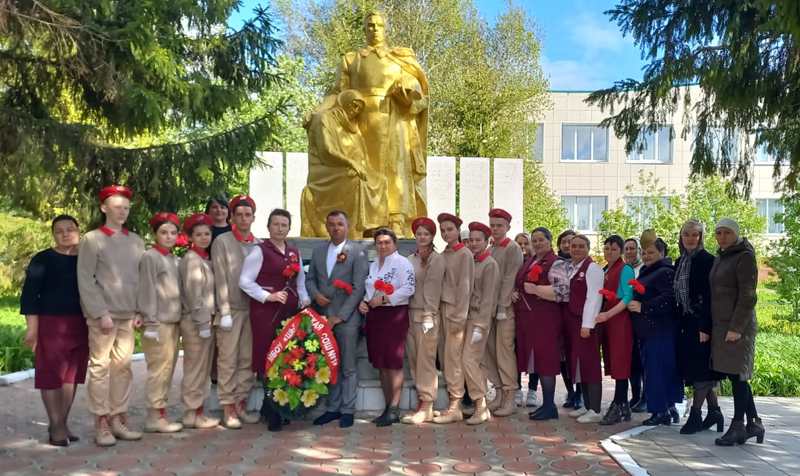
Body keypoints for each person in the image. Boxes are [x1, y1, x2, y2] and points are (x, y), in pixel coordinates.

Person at [330, 11, 429, 235]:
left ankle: (396, 219)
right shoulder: (351, 59)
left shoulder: (399, 58)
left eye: (378, 25)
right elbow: (336, 93)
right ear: (364, 29)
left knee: (396, 171)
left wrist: (407, 89)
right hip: (360, 123)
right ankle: (362, 222)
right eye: (370, 25)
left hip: (393, 121)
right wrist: (318, 112)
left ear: (385, 28)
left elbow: (417, 89)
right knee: (363, 172)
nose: (374, 29)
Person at [77, 185, 144, 446]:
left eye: (126, 208)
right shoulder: (92, 239)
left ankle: (119, 418)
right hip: (103, 316)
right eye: (117, 208)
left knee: (123, 368)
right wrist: (99, 312)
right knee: (100, 367)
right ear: (104, 208)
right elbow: (85, 277)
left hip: (128, 314)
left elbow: (139, 279)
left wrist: (139, 310)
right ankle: (101, 421)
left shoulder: (136, 240)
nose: (122, 212)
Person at [240, 208, 310, 431]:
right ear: (268, 226)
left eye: (284, 225)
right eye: (276, 224)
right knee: (267, 358)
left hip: (289, 313)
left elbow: (300, 281)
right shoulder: (259, 251)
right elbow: (244, 281)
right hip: (266, 314)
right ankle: (273, 411)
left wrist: (304, 299)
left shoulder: (293, 251)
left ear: (289, 228)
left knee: (286, 358)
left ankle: (274, 406)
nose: (280, 228)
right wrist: (267, 296)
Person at [20, 215, 88, 446]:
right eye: (60, 230)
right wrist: (32, 329)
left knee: (71, 375)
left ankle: (62, 423)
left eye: (70, 229)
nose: (66, 233)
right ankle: (56, 426)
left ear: (79, 231)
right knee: (51, 375)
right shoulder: (42, 259)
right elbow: (29, 296)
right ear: (53, 235)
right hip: (51, 323)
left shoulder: (86, 259)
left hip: (81, 323)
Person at [306, 210, 369, 429]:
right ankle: (332, 408)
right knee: (330, 363)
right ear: (326, 226)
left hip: (346, 318)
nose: (335, 228)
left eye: (340, 224)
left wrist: (340, 317)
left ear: (347, 226)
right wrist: (314, 295)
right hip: (322, 316)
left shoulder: (358, 252)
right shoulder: (319, 251)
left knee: (348, 365)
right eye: (331, 224)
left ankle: (348, 410)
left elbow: (359, 287)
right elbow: (311, 277)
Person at [710, 219, 764, 446]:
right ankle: (754, 423)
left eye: (727, 233)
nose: (722, 237)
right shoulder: (723, 256)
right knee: (735, 375)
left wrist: (736, 328)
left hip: (737, 328)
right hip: (723, 326)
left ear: (736, 234)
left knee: (739, 377)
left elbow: (748, 296)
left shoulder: (744, 257)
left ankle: (738, 426)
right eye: (718, 233)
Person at [211, 194, 261, 429]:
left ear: (253, 217)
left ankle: (241, 402)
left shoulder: (259, 244)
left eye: (247, 214)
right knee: (228, 359)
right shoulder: (222, 242)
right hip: (230, 309)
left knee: (246, 359)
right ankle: (228, 406)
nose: (243, 218)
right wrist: (224, 310)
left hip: (252, 310)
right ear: (232, 216)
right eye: (239, 214)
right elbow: (220, 277)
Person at [300, 90, 378, 238]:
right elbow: (327, 151)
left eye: (359, 109)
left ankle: (371, 227)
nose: (355, 111)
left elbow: (361, 153)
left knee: (380, 181)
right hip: (323, 169)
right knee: (356, 178)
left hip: (341, 167)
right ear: (345, 102)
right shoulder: (324, 118)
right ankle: (355, 231)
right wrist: (352, 163)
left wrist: (362, 165)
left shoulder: (352, 127)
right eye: (354, 106)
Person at [358, 228, 416, 426]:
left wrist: (385, 298)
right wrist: (364, 302)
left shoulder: (402, 263)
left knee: (393, 362)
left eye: (386, 242)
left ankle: (394, 408)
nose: (382, 246)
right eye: (379, 243)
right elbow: (369, 289)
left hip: (394, 315)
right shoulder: (375, 264)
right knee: (381, 363)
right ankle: (386, 406)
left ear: (395, 244)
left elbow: (409, 288)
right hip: (375, 317)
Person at [674, 219, 723, 434]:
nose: (690, 239)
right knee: (696, 370)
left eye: (695, 235)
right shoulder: (680, 261)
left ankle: (695, 416)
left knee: (702, 372)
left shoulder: (708, 260)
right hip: (686, 322)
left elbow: (710, 296)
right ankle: (714, 412)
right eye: (687, 234)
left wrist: (705, 327)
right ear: (681, 237)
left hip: (702, 322)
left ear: (701, 237)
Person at [627, 233, 682, 426]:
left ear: (662, 252)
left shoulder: (665, 272)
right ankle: (667, 408)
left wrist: (644, 307)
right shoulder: (649, 271)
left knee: (657, 370)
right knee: (657, 370)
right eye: (645, 253)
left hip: (659, 330)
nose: (647, 256)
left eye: (651, 252)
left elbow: (669, 299)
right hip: (649, 330)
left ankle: (661, 411)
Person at [137, 212, 183, 433]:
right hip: (158, 323)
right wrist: (150, 321)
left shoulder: (174, 259)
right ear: (155, 234)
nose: (169, 236)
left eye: (173, 233)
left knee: (168, 368)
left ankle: (160, 412)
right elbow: (147, 290)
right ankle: (154, 416)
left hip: (173, 322)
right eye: (163, 232)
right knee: (159, 369)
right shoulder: (151, 257)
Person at [453, 222, 499, 425]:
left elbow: (489, 299)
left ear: (487, 241)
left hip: (479, 320)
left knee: (469, 360)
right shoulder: (472, 261)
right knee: (472, 362)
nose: (473, 243)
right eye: (470, 240)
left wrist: (481, 326)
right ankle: (480, 405)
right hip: (467, 317)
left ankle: (480, 405)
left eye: (478, 240)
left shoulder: (490, 264)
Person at [179, 213, 220, 430]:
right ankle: (191, 412)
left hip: (204, 320)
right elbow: (194, 294)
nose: (204, 237)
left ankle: (196, 411)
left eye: (207, 233)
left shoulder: (204, 258)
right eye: (199, 234)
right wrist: (203, 322)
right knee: (195, 369)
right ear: (190, 236)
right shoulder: (192, 260)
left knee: (202, 368)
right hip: (196, 322)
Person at [402, 217, 445, 424]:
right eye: (419, 233)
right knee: (414, 359)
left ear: (432, 236)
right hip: (410, 313)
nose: (422, 237)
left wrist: (429, 314)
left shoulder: (436, 259)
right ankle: (422, 402)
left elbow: (433, 288)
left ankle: (428, 403)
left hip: (426, 316)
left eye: (426, 234)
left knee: (426, 361)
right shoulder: (410, 258)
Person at [516, 227, 562, 421]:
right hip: (530, 320)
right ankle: (546, 404)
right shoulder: (531, 261)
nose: (537, 244)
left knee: (546, 362)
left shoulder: (556, 262)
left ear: (549, 241)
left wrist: (535, 289)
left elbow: (561, 292)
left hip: (546, 320)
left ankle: (550, 405)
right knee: (538, 361)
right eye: (534, 240)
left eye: (541, 240)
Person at [432, 213, 474, 424]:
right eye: (443, 229)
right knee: (445, 358)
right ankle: (452, 402)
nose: (446, 233)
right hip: (441, 310)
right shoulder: (442, 253)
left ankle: (456, 405)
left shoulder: (464, 254)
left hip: (455, 312)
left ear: (458, 231)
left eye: (450, 229)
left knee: (453, 359)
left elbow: (465, 287)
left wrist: (460, 316)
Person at [484, 208, 523, 417]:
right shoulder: (490, 249)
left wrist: (501, 306)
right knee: (489, 352)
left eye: (499, 225)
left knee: (504, 352)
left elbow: (510, 279)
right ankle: (498, 393)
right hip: (488, 310)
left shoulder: (512, 248)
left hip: (504, 309)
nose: (495, 229)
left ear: (508, 227)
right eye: (493, 225)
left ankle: (510, 396)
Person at [597, 235, 635, 425]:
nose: (609, 252)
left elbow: (627, 298)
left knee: (621, 364)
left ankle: (618, 404)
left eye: (613, 249)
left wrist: (608, 314)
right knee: (614, 363)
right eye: (606, 248)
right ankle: (624, 407)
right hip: (609, 321)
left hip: (620, 322)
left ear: (620, 250)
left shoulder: (625, 269)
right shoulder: (606, 269)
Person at [556, 229, 581, 409]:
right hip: (558, 315)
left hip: (577, 316)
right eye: (564, 241)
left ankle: (580, 393)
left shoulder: (584, 265)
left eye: (570, 242)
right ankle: (570, 392)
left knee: (577, 355)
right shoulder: (555, 264)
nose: (567, 245)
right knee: (562, 356)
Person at [513, 232, 539, 408]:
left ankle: (532, 390)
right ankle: (516, 390)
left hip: (533, 315)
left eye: (525, 244)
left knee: (533, 353)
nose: (522, 247)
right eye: (519, 244)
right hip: (514, 315)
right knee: (514, 352)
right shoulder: (512, 263)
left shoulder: (536, 263)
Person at [623, 237, 646, 413]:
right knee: (632, 362)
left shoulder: (643, 270)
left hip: (642, 320)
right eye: (627, 249)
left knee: (642, 360)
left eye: (633, 248)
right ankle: (636, 396)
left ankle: (646, 397)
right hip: (626, 321)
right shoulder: (625, 270)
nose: (629, 252)